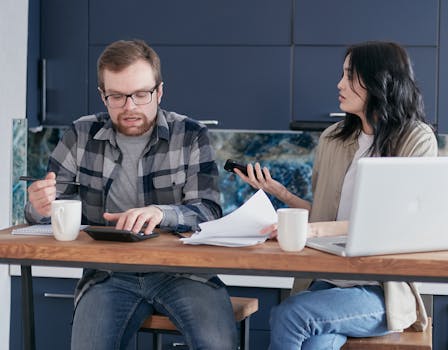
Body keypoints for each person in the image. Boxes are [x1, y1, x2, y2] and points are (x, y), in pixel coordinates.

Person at [25, 39, 237, 350]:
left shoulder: (191, 135)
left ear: (159, 92)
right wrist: (39, 206)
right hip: (108, 274)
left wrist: (160, 213)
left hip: (183, 272)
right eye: (117, 97)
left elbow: (208, 210)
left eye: (141, 94)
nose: (130, 107)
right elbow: (50, 213)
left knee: (216, 344)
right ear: (103, 95)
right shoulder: (80, 135)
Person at [234, 41, 437, 349]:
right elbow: (328, 218)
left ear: (380, 81)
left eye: (349, 76)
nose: (339, 84)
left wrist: (310, 230)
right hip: (330, 280)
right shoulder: (333, 139)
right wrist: (280, 192)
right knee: (314, 341)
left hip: (381, 292)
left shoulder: (416, 140)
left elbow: (392, 225)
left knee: (291, 315)